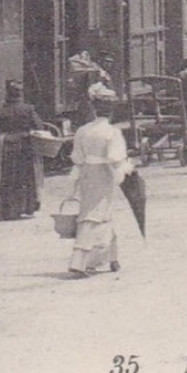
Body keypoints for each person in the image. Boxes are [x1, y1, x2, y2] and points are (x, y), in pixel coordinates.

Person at [65, 84, 131, 277]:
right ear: (111, 109)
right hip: (104, 174)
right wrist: (125, 171)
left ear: (94, 107)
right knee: (93, 216)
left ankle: (112, 258)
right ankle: (79, 263)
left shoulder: (83, 131)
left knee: (102, 213)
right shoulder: (112, 132)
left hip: (86, 174)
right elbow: (115, 158)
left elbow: (77, 157)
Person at [0, 79, 44, 219]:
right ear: (20, 94)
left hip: (7, 148)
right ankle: (27, 207)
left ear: (7, 94)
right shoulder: (28, 109)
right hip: (25, 147)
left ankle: (9, 210)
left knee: (7, 178)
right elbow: (39, 127)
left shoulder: (0, 111)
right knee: (26, 178)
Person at [67, 49, 112, 124]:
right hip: (88, 98)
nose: (108, 65)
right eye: (106, 62)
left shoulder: (101, 72)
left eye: (109, 62)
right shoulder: (93, 70)